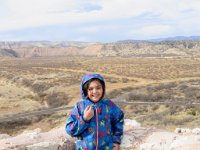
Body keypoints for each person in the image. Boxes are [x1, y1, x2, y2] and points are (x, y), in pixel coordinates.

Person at [66, 73, 124, 150]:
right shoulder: (80, 106)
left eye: (98, 88)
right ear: (85, 91)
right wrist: (84, 119)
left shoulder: (109, 105)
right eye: (90, 89)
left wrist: (116, 141)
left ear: (103, 88)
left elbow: (119, 119)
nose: (95, 91)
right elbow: (70, 130)